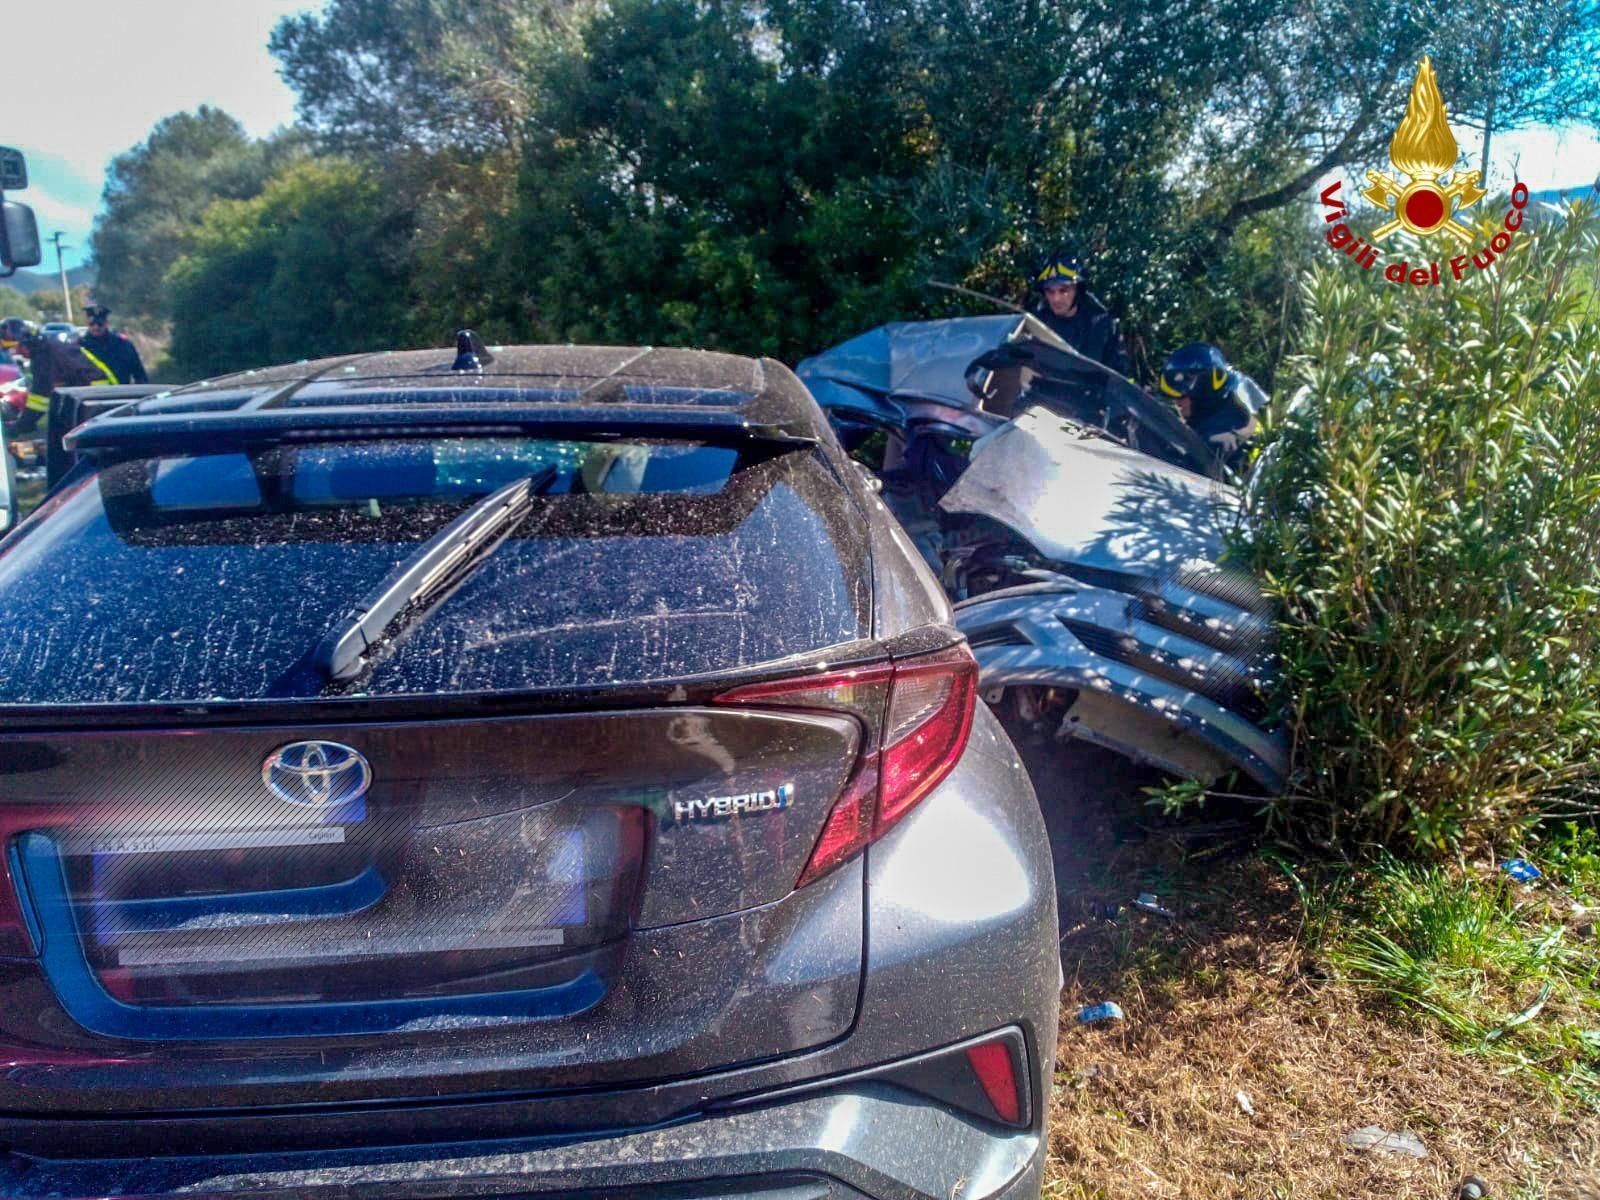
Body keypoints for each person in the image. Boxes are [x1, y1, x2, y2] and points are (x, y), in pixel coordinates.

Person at [0, 316, 117, 436]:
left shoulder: (45, 357)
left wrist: (21, 426)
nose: (17, 353)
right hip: (96, 396)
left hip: (97, 398)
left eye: (15, 348)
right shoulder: (47, 350)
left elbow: (40, 398)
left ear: (27, 342)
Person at [1157, 342, 1265, 469]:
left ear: (1203, 394)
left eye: (1182, 396)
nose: (1177, 402)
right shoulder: (1232, 397)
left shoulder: (1216, 440)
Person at [1029, 253, 1129, 377]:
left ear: (1078, 290)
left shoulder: (1102, 326)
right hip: (1043, 388)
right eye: (1050, 291)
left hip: (1089, 389)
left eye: (1063, 290)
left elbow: (1121, 376)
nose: (1056, 299)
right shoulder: (1035, 323)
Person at [79, 304, 147, 384]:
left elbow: (140, 376)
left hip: (120, 391)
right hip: (89, 392)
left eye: (100, 324)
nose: (96, 327)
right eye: (92, 324)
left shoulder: (123, 345)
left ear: (106, 323)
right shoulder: (78, 348)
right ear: (87, 324)